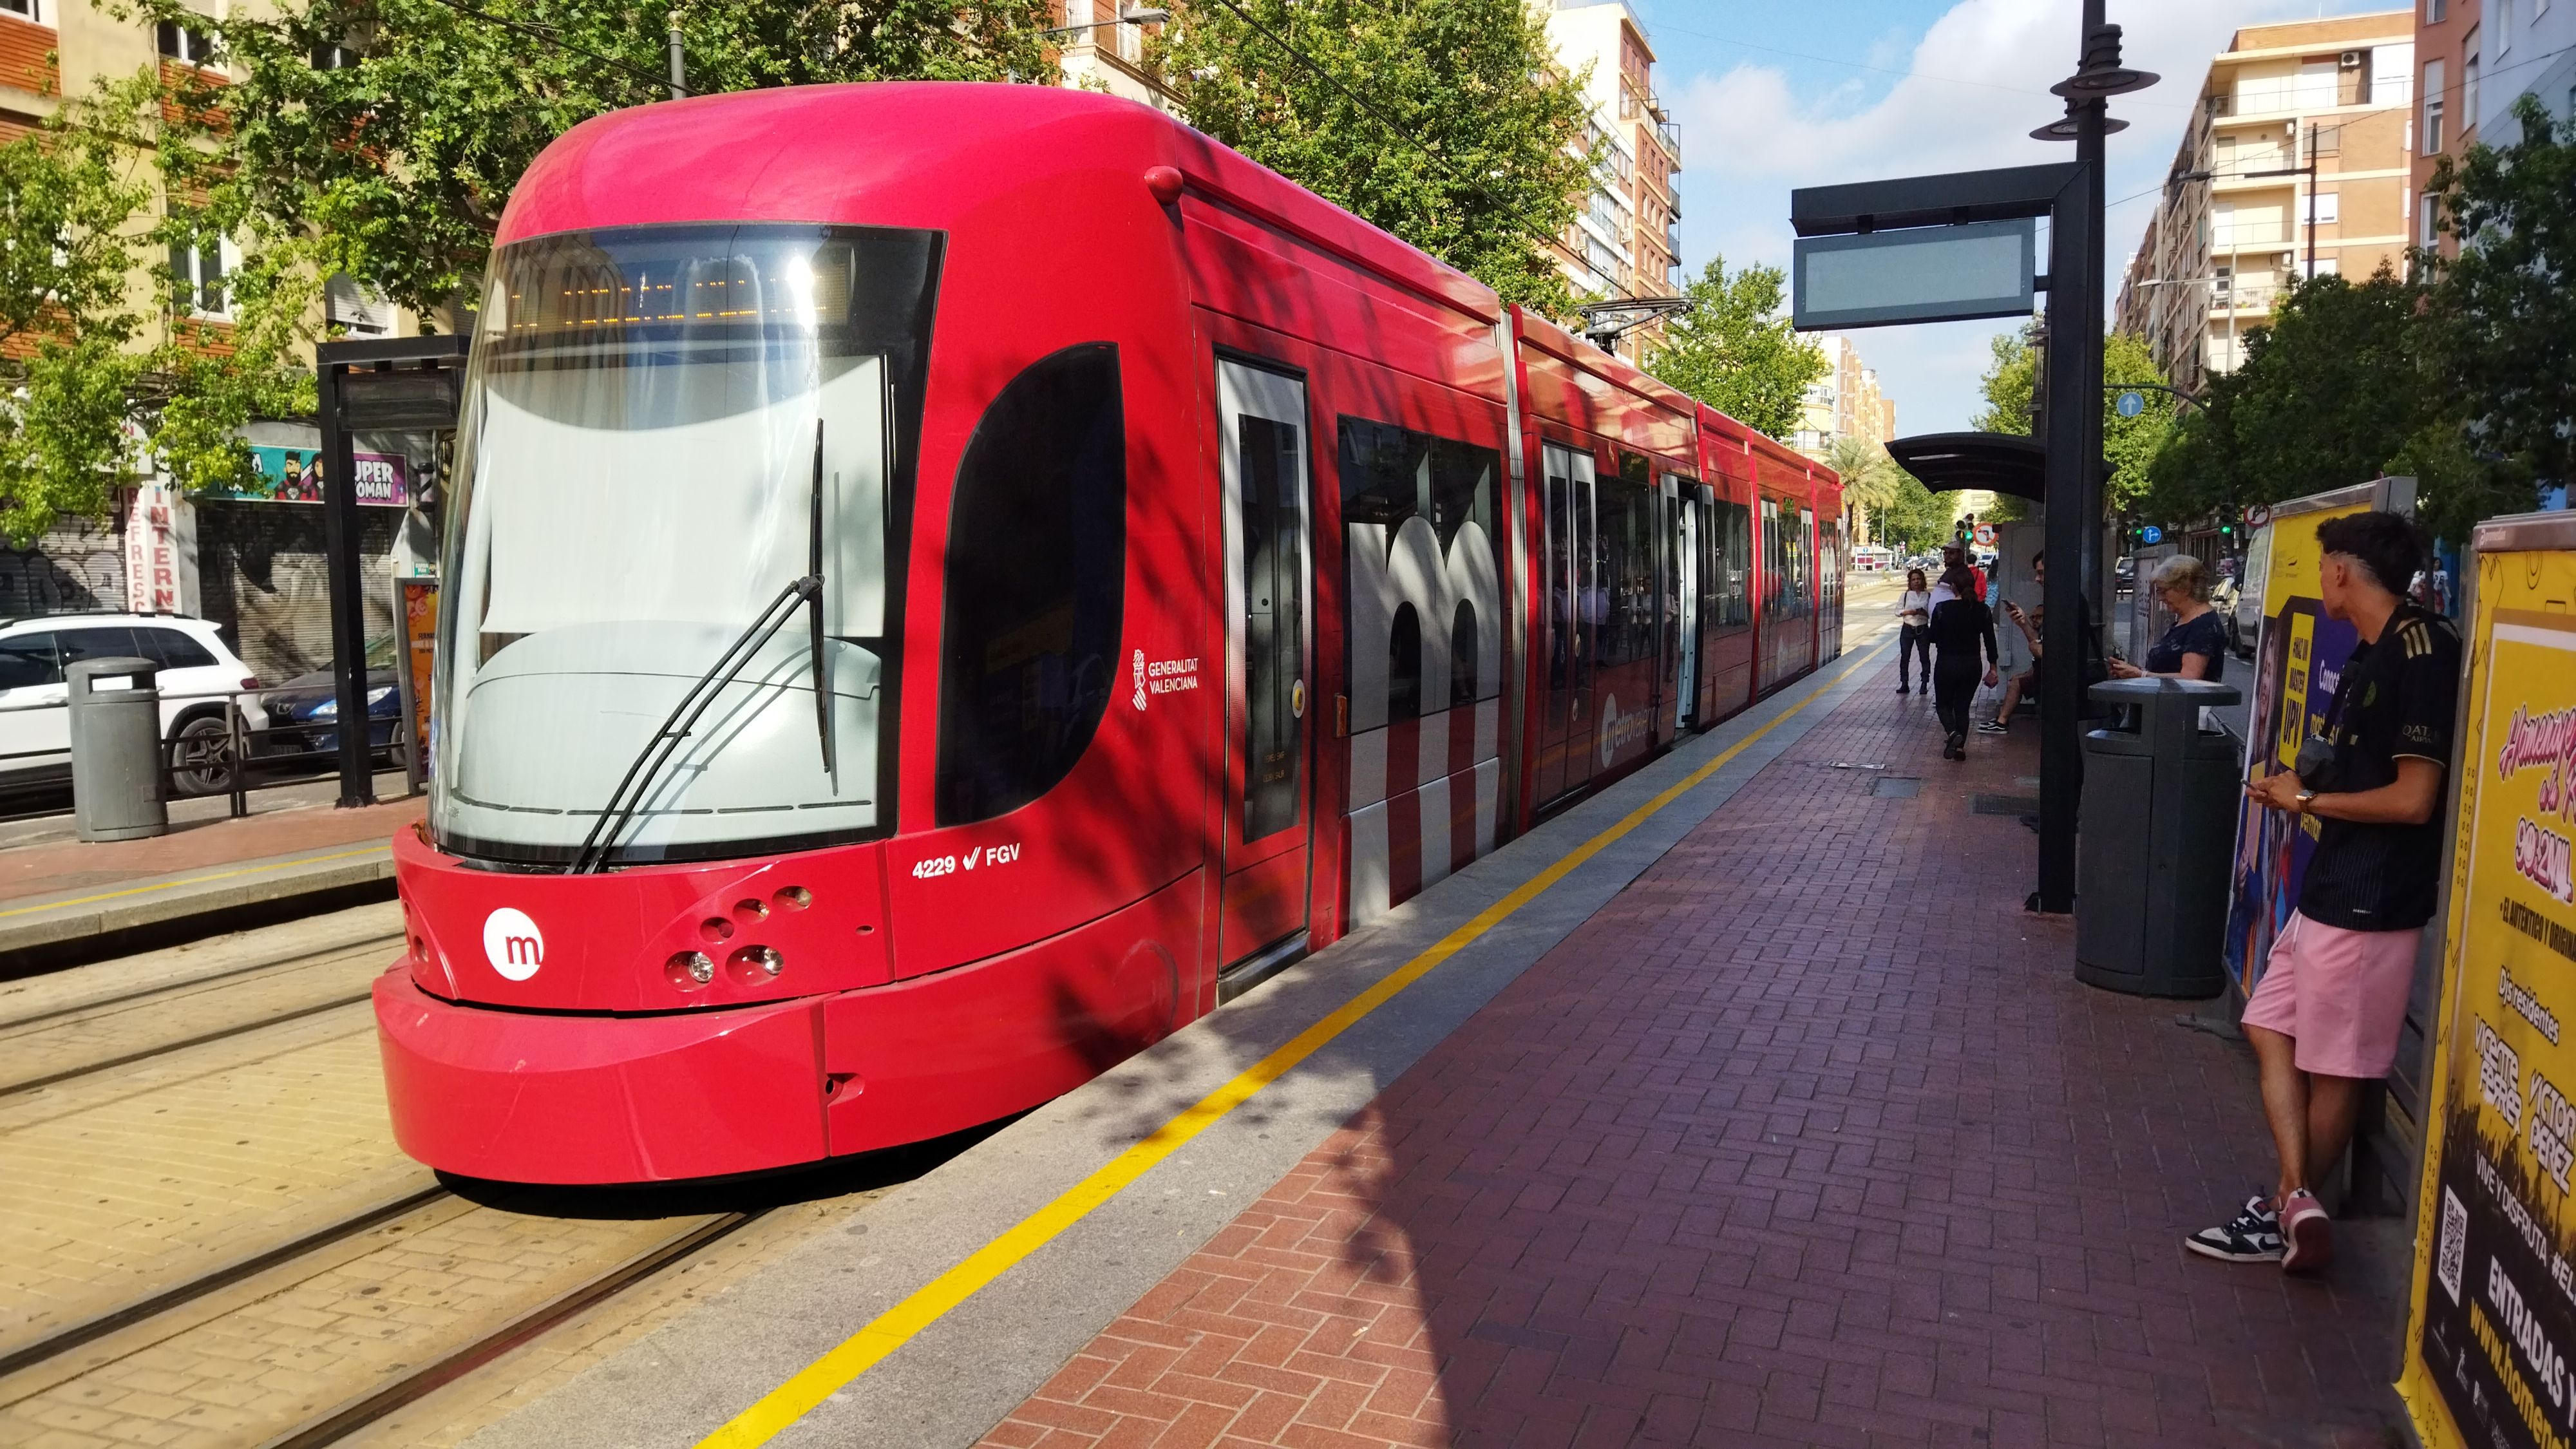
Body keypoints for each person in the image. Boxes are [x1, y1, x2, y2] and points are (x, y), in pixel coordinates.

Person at [2187, 511, 2459, 1273]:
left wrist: (2303, 804)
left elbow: (2412, 800)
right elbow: (2344, 760)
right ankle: (2295, 1197)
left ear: (2341, 569)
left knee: (2336, 1064)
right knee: (2268, 1021)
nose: (2317, 581)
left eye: (2320, 567)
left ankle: (2285, 1209)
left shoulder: (2422, 653)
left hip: (2375, 897)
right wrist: (2303, 785)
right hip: (2331, 884)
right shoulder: (2377, 648)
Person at [2110, 554, 2226, 683]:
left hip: (2181, 703)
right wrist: (2136, 672)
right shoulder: (2188, 620)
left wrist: (2141, 675)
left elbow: (2190, 678)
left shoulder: (2203, 625)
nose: (2161, 598)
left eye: (2163, 591)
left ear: (2184, 588)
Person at [1926, 565, 1998, 760]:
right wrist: (1993, 667)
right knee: (1962, 707)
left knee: (1943, 705)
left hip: (1947, 663)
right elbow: (1990, 641)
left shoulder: (1942, 609)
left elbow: (1932, 637)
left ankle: (1953, 734)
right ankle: (1959, 748)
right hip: (1972, 665)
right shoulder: (1982, 610)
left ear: (1953, 587)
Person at [1895, 568, 1931, 695]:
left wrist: (1923, 612)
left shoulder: (1928, 595)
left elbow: (1932, 614)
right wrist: (1908, 612)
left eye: (1918, 579)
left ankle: (1924, 683)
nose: (1916, 582)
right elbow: (1897, 611)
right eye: (1913, 580)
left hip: (1922, 628)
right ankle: (1904, 683)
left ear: (1923, 581)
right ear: (1910, 582)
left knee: (1924, 656)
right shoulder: (1905, 595)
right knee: (1905, 656)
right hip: (1908, 628)